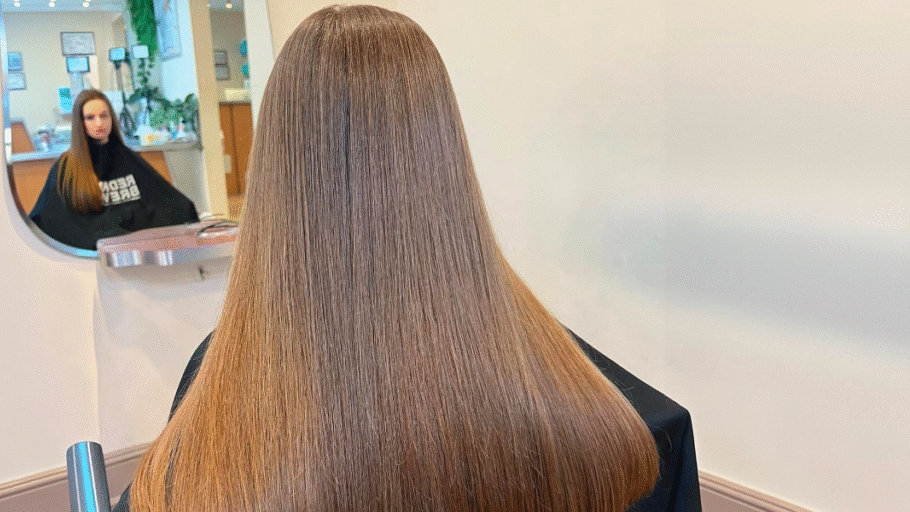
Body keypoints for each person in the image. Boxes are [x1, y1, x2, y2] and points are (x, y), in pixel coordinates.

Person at [119, 5, 660, 512]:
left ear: (276, 166)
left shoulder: (220, 416)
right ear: (441, 144)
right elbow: (633, 456)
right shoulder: (555, 385)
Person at [29, 89, 198, 250]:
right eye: (90, 118)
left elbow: (167, 203)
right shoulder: (66, 168)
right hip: (92, 259)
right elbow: (49, 221)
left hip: (134, 252)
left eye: (104, 116)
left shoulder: (127, 158)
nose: (99, 123)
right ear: (80, 122)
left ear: (112, 118)